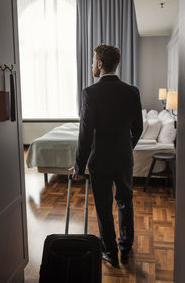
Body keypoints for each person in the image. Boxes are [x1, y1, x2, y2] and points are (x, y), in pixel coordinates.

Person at [70, 44, 143, 268]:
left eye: (93, 61)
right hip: (123, 158)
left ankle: (110, 253)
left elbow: (84, 134)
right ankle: (126, 249)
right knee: (125, 202)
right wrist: (125, 149)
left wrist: (78, 167)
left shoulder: (90, 93)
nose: (92, 64)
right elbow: (138, 129)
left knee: (103, 207)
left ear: (100, 64)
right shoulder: (132, 91)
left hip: (99, 160)